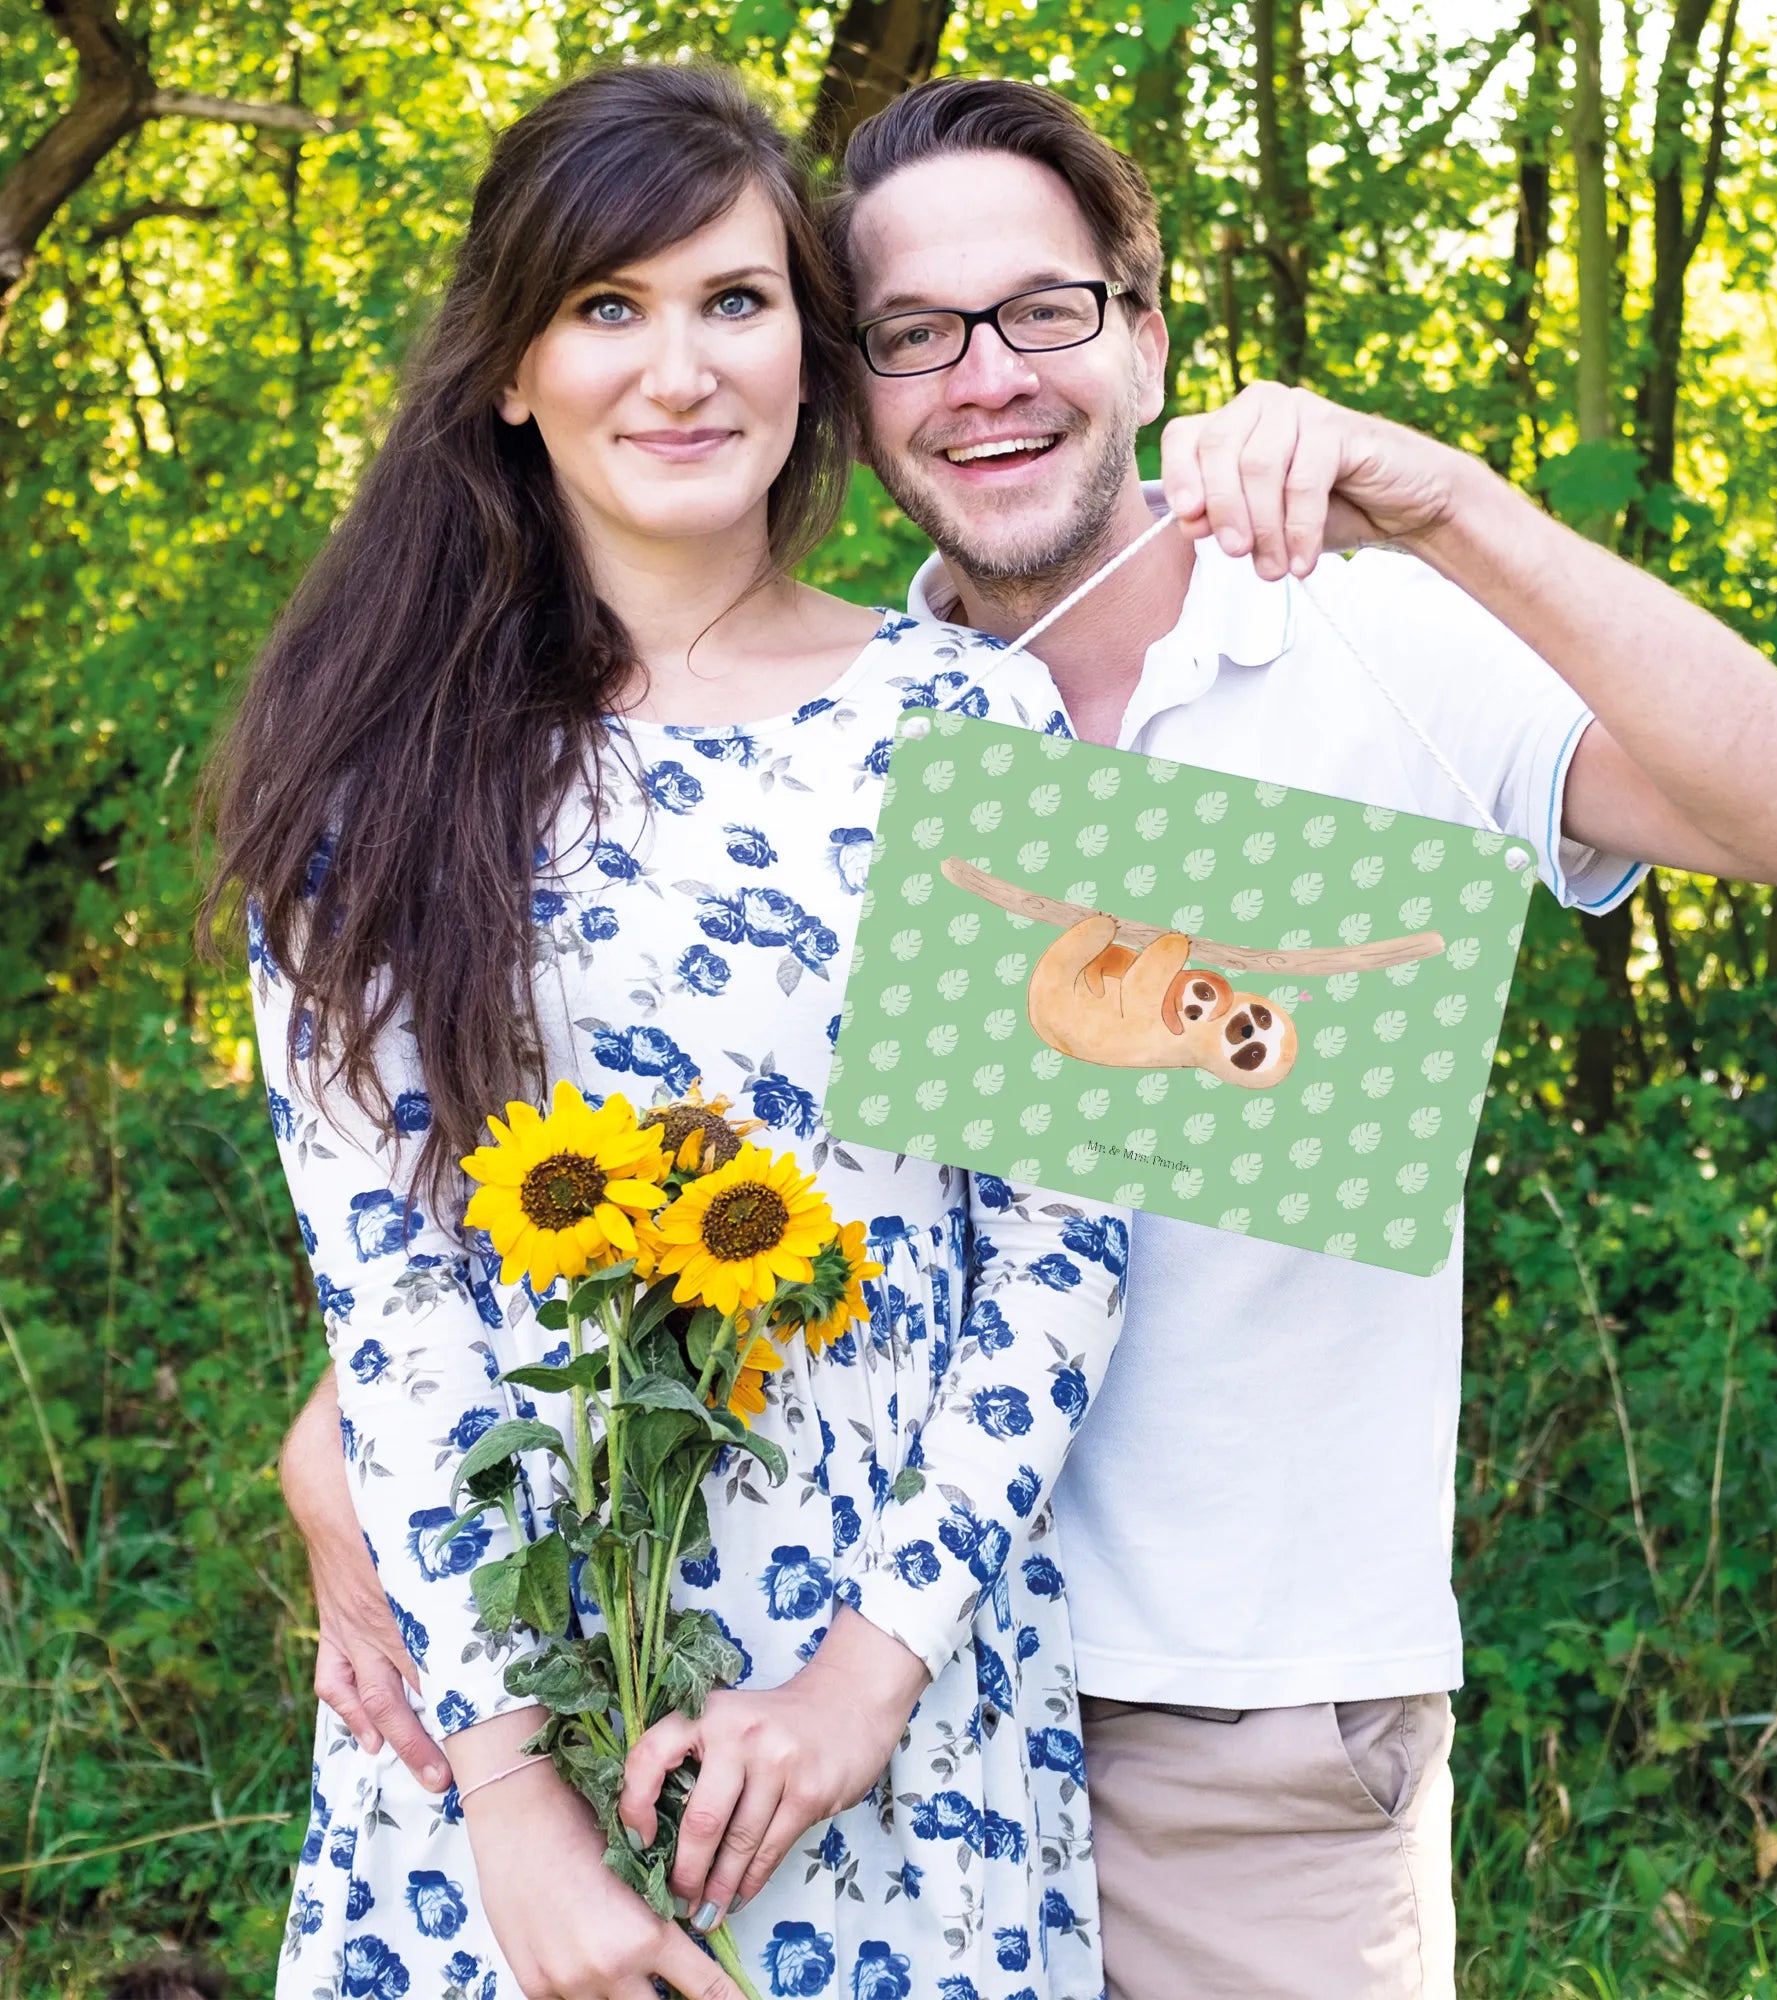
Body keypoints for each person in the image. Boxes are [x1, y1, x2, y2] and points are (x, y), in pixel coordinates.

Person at [282, 68, 1777, 2000]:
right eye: (915, 333)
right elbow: (592, 1176)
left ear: (1147, 335)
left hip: (1222, 1716)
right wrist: (353, 1448)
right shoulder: (856, 720)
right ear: (854, 381)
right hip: (759, 1685)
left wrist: (1445, 499)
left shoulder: (1334, 643)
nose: (987, 377)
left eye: (1043, 311)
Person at [209, 63, 1124, 2000]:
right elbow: (395, 1299)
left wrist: (862, 1683)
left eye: (736, 300)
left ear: (810, 348)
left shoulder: (976, 726)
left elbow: (1059, 1251)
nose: (681, 369)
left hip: (890, 1720)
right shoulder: (377, 773)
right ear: (510, 369)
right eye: (607, 306)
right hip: (493, 1720)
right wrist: (511, 1805)